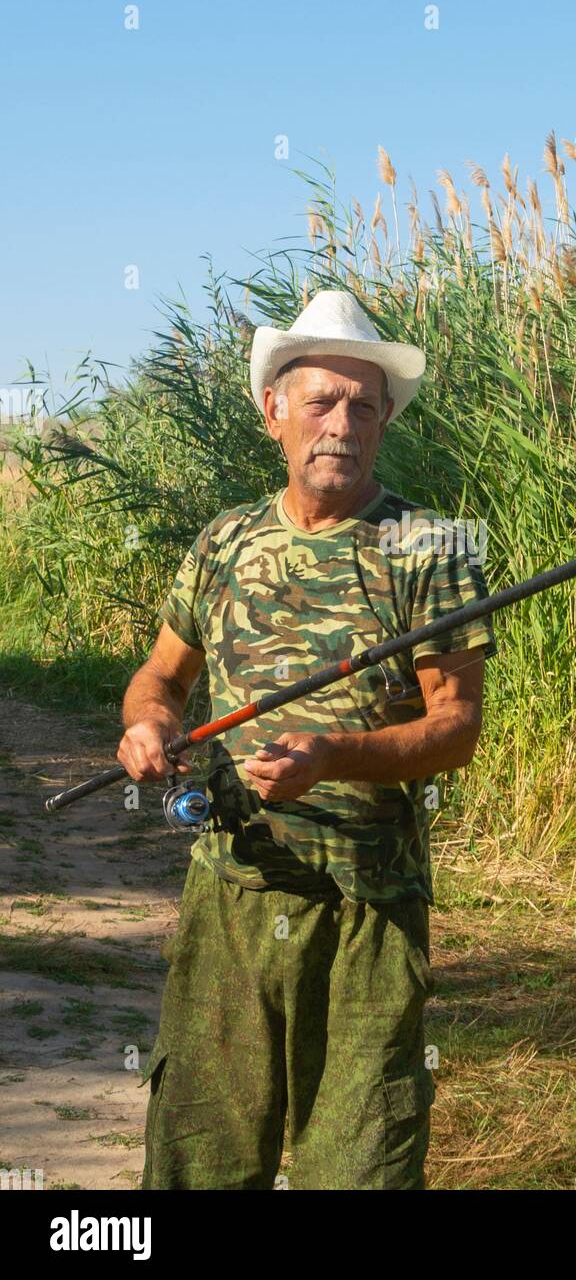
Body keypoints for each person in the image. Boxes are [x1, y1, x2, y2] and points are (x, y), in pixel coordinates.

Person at [118, 289, 497, 1189]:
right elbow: (160, 676)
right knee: (201, 1155)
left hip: (368, 903)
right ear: (274, 412)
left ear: (384, 423)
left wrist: (335, 756)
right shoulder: (225, 542)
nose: (343, 423)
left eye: (365, 406)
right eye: (322, 400)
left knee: (359, 1162)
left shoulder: (431, 549)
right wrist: (148, 725)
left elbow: (456, 727)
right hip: (232, 896)